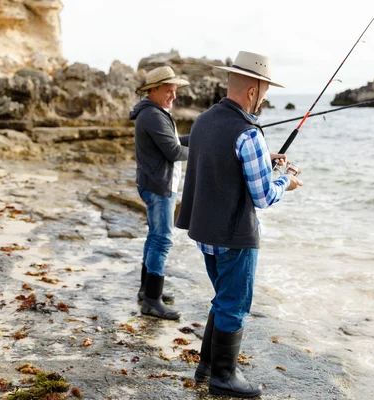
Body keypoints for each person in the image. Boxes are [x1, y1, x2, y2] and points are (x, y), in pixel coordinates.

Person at [176, 51, 303, 398]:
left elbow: (219, 159)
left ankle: (206, 366)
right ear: (252, 91)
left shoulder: (202, 121)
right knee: (234, 304)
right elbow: (262, 196)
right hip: (234, 236)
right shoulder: (249, 134)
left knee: (222, 298)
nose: (263, 99)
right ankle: (224, 377)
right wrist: (285, 182)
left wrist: (267, 158)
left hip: (204, 232)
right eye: (263, 92)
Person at [129, 66, 190, 320]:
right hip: (158, 186)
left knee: (155, 237)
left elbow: (173, 142)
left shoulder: (154, 112)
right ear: (153, 90)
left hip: (153, 182)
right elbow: (175, 152)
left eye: (175, 91)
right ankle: (152, 301)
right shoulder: (153, 115)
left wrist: (199, 138)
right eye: (169, 91)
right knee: (163, 239)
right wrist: (206, 153)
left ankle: (147, 291)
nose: (174, 97)